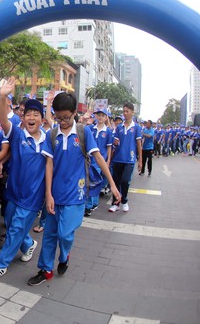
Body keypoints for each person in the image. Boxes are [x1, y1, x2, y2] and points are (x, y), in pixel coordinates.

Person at [28, 92, 120, 286]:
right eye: (58, 117)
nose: (62, 121)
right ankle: (45, 269)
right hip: (55, 194)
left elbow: (98, 157)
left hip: (76, 194)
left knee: (65, 234)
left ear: (74, 114)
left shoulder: (83, 132)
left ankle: (64, 256)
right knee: (50, 234)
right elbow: (49, 164)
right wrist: (48, 194)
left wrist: (111, 183)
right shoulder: (53, 134)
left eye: (66, 117)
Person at [0, 78, 48, 281]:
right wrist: (3, 96)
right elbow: (3, 121)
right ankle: (28, 244)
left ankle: (0, 264)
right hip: (13, 192)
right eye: (28, 113)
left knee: (16, 229)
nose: (31, 117)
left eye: (35, 114)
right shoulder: (18, 134)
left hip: (33, 197)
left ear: (42, 119)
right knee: (11, 222)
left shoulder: (49, 140)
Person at [109, 104, 142, 213]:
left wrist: (140, 160)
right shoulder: (119, 127)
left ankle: (124, 201)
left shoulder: (136, 127)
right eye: (123, 111)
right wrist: (114, 142)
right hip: (118, 158)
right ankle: (115, 203)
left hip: (129, 159)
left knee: (125, 180)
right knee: (116, 181)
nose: (125, 113)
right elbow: (115, 143)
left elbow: (138, 144)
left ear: (132, 112)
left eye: (127, 111)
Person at [85, 108, 112, 216]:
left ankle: (89, 206)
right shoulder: (91, 128)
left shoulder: (108, 131)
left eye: (102, 115)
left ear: (106, 117)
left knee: (94, 181)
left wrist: (108, 160)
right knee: (92, 181)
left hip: (100, 160)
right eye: (98, 115)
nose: (100, 117)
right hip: (89, 159)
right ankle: (94, 203)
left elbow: (109, 147)